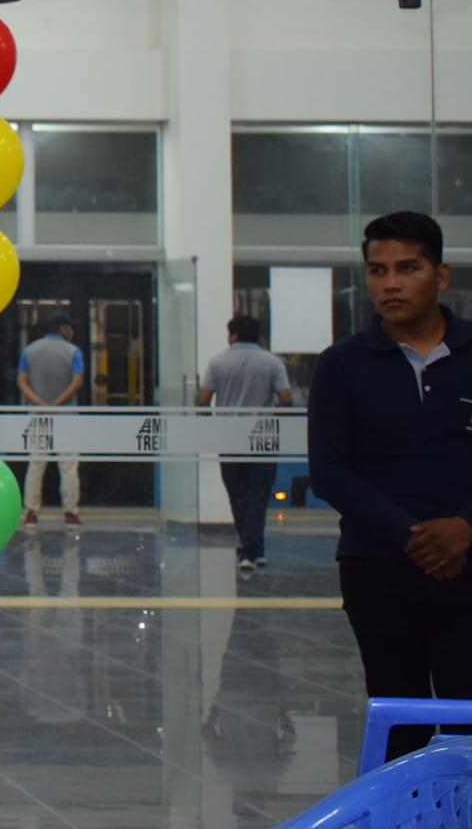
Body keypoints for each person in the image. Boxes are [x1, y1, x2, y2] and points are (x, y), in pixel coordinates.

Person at [307, 210, 472, 761]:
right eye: (378, 271)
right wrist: (413, 536)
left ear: (441, 275)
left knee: (467, 712)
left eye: (408, 267)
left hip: (470, 558)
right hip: (377, 568)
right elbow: (330, 471)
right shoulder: (342, 366)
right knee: (399, 717)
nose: (391, 283)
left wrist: (464, 528)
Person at [198, 315, 294, 574]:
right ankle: (254, 549)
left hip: (229, 435)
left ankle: (248, 549)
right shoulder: (272, 362)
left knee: (237, 494)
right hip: (263, 436)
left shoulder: (218, 362)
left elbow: (203, 399)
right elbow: (286, 399)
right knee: (258, 495)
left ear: (234, 335)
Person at [18, 310, 86, 527]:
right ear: (62, 329)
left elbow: (22, 381)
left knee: (36, 463)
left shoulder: (29, 351)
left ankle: (31, 512)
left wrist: (40, 403)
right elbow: (77, 382)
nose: (72, 331)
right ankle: (71, 512)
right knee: (68, 465)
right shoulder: (74, 352)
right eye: (70, 327)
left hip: (38, 415)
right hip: (66, 416)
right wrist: (57, 405)